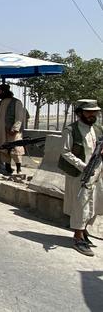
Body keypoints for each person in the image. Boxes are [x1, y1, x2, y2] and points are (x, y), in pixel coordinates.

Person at [58, 99, 103, 256]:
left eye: (94, 112)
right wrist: (83, 166)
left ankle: (84, 232)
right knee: (81, 205)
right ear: (80, 113)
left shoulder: (97, 128)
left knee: (95, 203)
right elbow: (65, 152)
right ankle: (78, 237)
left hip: (98, 172)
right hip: (80, 174)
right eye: (89, 112)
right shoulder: (71, 130)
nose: (92, 115)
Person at [0, 83, 26, 174]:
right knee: (4, 149)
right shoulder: (0, 103)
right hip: (1, 131)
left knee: (16, 149)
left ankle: (18, 169)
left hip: (12, 131)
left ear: (3, 91)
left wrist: (15, 129)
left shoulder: (16, 102)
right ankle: (8, 168)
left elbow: (19, 117)